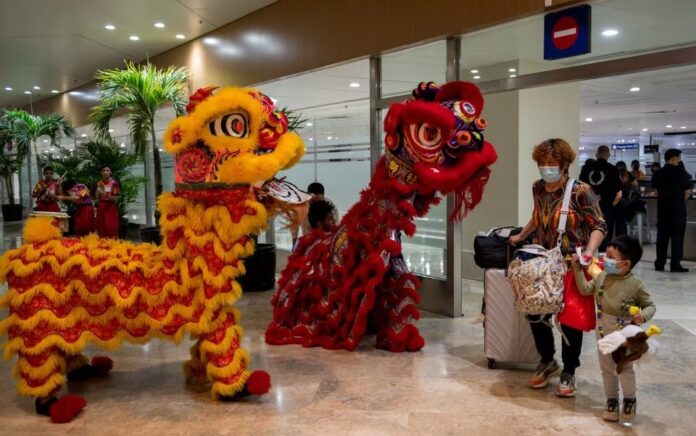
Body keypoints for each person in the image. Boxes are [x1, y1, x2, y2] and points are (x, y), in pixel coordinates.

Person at [509, 138, 606, 397]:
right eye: (542, 163)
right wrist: (522, 235)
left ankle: (569, 370)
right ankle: (547, 361)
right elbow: (537, 214)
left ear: (564, 164)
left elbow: (598, 224)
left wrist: (589, 251)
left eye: (551, 164)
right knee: (535, 311)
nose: (545, 168)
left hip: (571, 264)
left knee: (570, 319)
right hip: (542, 262)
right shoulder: (538, 188)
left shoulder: (580, 190)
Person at [571, 235, 655, 424]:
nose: (603, 259)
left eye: (610, 256)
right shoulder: (602, 277)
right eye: (605, 254)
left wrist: (644, 315)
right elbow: (585, 289)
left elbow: (650, 305)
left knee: (624, 368)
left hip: (624, 336)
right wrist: (577, 269)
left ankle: (630, 399)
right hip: (602, 333)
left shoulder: (636, 285)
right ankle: (611, 400)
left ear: (625, 264)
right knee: (606, 369)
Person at [652, 149, 692, 272]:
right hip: (677, 210)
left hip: (663, 209)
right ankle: (675, 264)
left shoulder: (658, 173)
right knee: (677, 237)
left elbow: (656, 190)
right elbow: (687, 191)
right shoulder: (682, 173)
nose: (680, 160)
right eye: (679, 158)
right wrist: (680, 202)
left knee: (662, 237)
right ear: (673, 158)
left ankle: (659, 263)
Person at [579, 145, 622, 251]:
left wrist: (591, 195)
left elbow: (580, 186)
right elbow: (617, 190)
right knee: (605, 235)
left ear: (596, 155)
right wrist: (608, 202)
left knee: (588, 234)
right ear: (608, 155)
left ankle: (587, 257)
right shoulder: (613, 169)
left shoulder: (586, 168)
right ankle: (601, 260)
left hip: (588, 206)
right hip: (605, 206)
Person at [290, 182, 339, 246]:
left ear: (323, 197)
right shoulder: (300, 206)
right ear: (308, 197)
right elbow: (294, 225)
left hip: (326, 241)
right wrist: (294, 242)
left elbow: (335, 226)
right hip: (308, 241)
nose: (316, 204)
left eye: (319, 201)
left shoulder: (330, 206)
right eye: (313, 201)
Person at [96, 166, 121, 238]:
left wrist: (106, 194)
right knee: (101, 226)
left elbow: (116, 198)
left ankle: (111, 244)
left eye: (107, 170)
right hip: (101, 206)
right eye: (103, 171)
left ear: (110, 172)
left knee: (110, 226)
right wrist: (98, 193)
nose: (105, 172)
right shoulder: (99, 183)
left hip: (110, 206)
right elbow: (97, 197)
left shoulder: (114, 183)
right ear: (101, 173)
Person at [614, 161, 637, 237]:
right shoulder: (628, 174)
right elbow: (636, 184)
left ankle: (618, 236)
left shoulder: (614, 175)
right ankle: (622, 236)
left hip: (618, 202)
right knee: (621, 219)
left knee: (618, 219)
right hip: (626, 202)